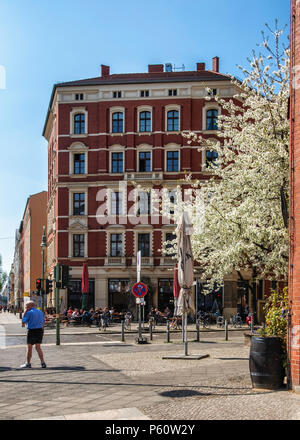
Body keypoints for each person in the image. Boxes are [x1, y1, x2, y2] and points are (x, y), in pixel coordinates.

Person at [19, 301, 46, 369]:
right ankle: (43, 363)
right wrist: (42, 331)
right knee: (38, 347)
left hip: (32, 331)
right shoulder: (40, 312)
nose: (25, 308)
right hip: (40, 330)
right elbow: (43, 322)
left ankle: (28, 363)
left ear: (30, 306)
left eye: (26, 307)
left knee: (29, 347)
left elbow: (23, 321)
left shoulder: (29, 312)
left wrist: (25, 313)